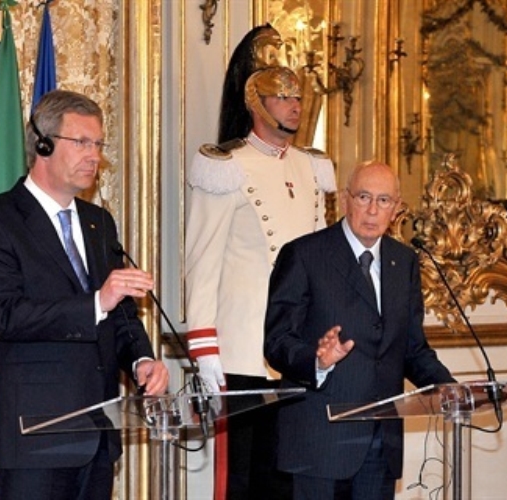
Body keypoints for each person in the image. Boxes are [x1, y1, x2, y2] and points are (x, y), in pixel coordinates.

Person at [0, 89, 169, 499]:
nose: (94, 156)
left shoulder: (99, 223)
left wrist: (141, 360)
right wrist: (96, 302)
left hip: (97, 437)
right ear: (43, 145)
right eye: (82, 142)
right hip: (33, 439)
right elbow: (6, 315)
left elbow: (120, 313)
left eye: (98, 144)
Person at [185, 65, 336, 499]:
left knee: (289, 474)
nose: (294, 106)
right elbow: (202, 260)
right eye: (282, 97)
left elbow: (322, 262)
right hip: (242, 350)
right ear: (256, 104)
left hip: (298, 348)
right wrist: (204, 348)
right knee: (241, 478)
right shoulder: (226, 165)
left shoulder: (312, 165)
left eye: (297, 97)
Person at [264, 160, 455, 499]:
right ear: (345, 199)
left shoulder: (404, 261)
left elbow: (411, 348)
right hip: (319, 443)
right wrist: (317, 361)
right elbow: (277, 342)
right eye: (364, 197)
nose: (372, 210)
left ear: (396, 209)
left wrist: (449, 388)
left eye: (384, 200)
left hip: (381, 443)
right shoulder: (304, 255)